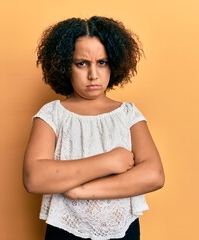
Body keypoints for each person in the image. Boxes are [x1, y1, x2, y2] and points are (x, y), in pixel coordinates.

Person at [23, 16, 165, 240]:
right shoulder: (52, 114)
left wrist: (82, 191)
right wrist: (108, 161)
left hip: (123, 230)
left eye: (102, 62)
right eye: (81, 63)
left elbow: (154, 175)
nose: (93, 74)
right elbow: (35, 178)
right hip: (64, 229)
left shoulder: (128, 114)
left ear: (114, 63)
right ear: (63, 65)